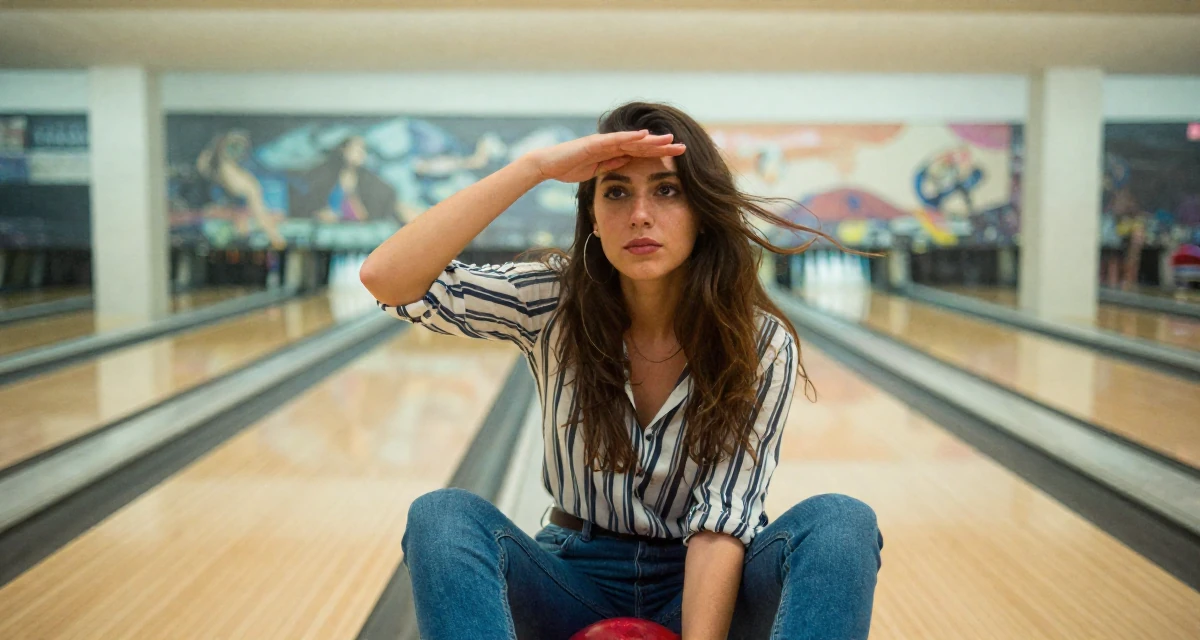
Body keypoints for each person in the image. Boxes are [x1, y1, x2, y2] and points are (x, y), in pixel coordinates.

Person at [360, 102, 882, 640]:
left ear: (702, 210)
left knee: (841, 524)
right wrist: (533, 167)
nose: (639, 214)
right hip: (570, 581)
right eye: (615, 192)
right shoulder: (552, 302)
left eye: (666, 190)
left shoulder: (758, 342)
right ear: (593, 215)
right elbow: (388, 278)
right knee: (442, 518)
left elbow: (721, 526)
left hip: (704, 589)